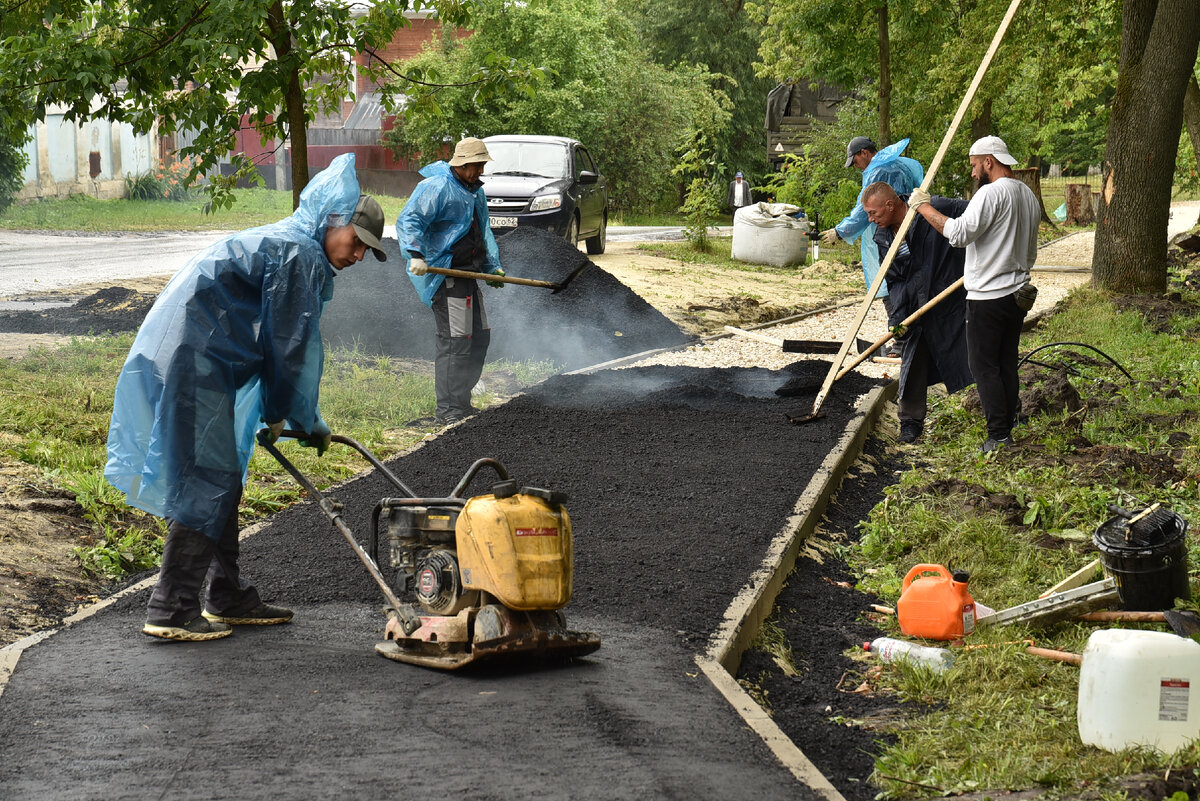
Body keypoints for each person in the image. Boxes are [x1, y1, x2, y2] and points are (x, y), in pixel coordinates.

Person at [105, 153, 387, 642]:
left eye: (368, 250)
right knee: (208, 479)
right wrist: (288, 414)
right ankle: (170, 609)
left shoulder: (293, 244)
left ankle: (226, 595)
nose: (358, 255)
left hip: (194, 357)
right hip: (194, 362)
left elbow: (280, 344)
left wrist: (297, 416)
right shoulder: (298, 255)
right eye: (357, 242)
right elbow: (287, 347)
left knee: (222, 477)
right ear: (334, 221)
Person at [909, 135, 1041, 453]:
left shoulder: (990, 193)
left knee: (984, 366)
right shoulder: (1027, 193)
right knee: (1005, 361)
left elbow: (958, 233)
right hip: (1018, 293)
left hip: (989, 296)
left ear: (988, 161)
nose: (972, 173)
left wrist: (922, 207)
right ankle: (1012, 418)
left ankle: (998, 435)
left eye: (973, 165)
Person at [396, 137, 506, 424]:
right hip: (447, 276)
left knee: (479, 337)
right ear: (461, 163)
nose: (480, 170)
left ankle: (462, 403)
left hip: (470, 274)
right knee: (455, 342)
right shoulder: (436, 187)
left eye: (482, 164)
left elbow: (483, 230)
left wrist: (492, 266)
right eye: (476, 165)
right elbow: (411, 220)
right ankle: (448, 410)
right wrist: (416, 254)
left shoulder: (474, 191)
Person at [861, 182, 973, 444]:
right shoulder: (884, 236)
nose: (870, 219)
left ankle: (1004, 411)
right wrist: (897, 317)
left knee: (979, 356)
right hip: (916, 306)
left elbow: (976, 218)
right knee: (912, 360)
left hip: (952, 297)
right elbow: (895, 279)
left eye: (873, 213)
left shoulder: (935, 207)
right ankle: (910, 423)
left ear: (890, 205)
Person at [820, 136, 924, 338]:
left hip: (889, 233)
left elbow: (864, 210)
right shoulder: (897, 164)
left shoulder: (878, 171)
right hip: (909, 231)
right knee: (909, 283)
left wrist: (840, 231)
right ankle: (911, 337)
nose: (855, 167)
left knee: (889, 283)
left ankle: (900, 340)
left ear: (864, 153)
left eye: (855, 161)